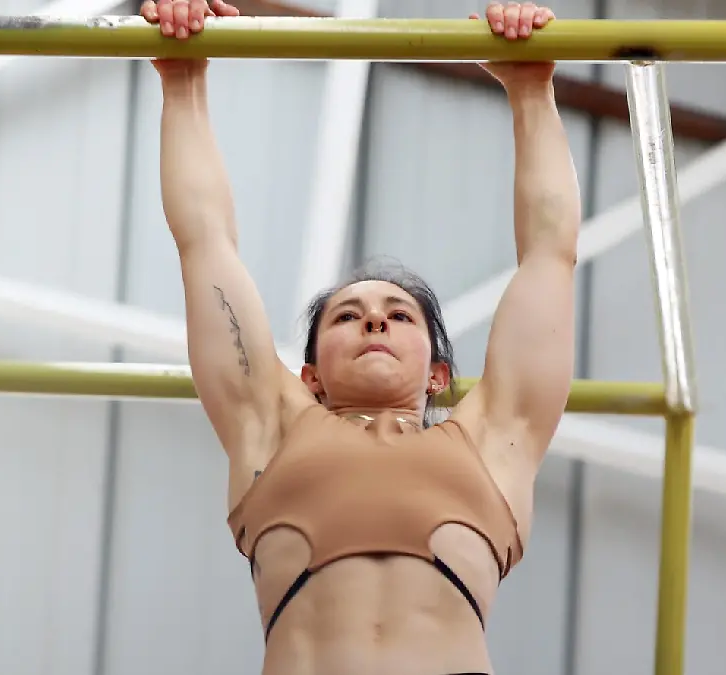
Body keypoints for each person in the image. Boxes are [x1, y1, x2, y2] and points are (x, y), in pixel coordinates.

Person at [140, 1, 579, 673]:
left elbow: (551, 251)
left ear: (438, 372)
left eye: (400, 315)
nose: (374, 319)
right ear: (309, 376)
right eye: (346, 316)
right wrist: (182, 81)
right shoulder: (272, 425)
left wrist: (531, 90)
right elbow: (203, 240)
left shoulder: (495, 440)